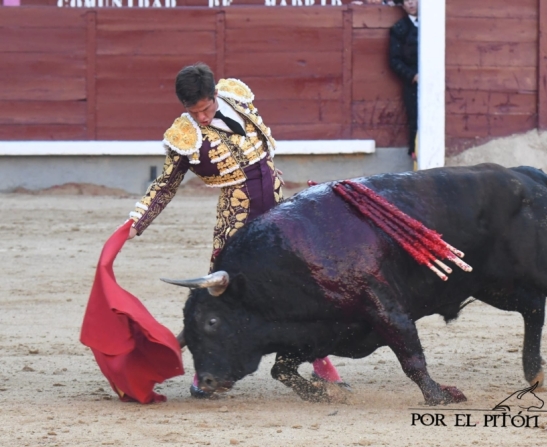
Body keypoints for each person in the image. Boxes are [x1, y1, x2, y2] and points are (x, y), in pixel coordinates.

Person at [126, 63, 345, 398]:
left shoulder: (236, 98)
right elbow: (166, 185)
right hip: (237, 218)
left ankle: (320, 362)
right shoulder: (184, 136)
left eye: (205, 108)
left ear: (215, 95)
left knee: (297, 285)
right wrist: (136, 221)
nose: (201, 117)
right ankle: (204, 372)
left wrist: (268, 168)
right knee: (220, 296)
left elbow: (259, 146)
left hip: (276, 212)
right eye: (193, 111)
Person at [389, 0, 419, 159]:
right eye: (407, 1)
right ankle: (414, 153)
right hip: (412, 83)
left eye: (414, 0)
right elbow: (394, 60)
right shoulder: (399, 28)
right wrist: (412, 76)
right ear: (402, 5)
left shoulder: (430, 24)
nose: (412, 4)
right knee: (414, 118)